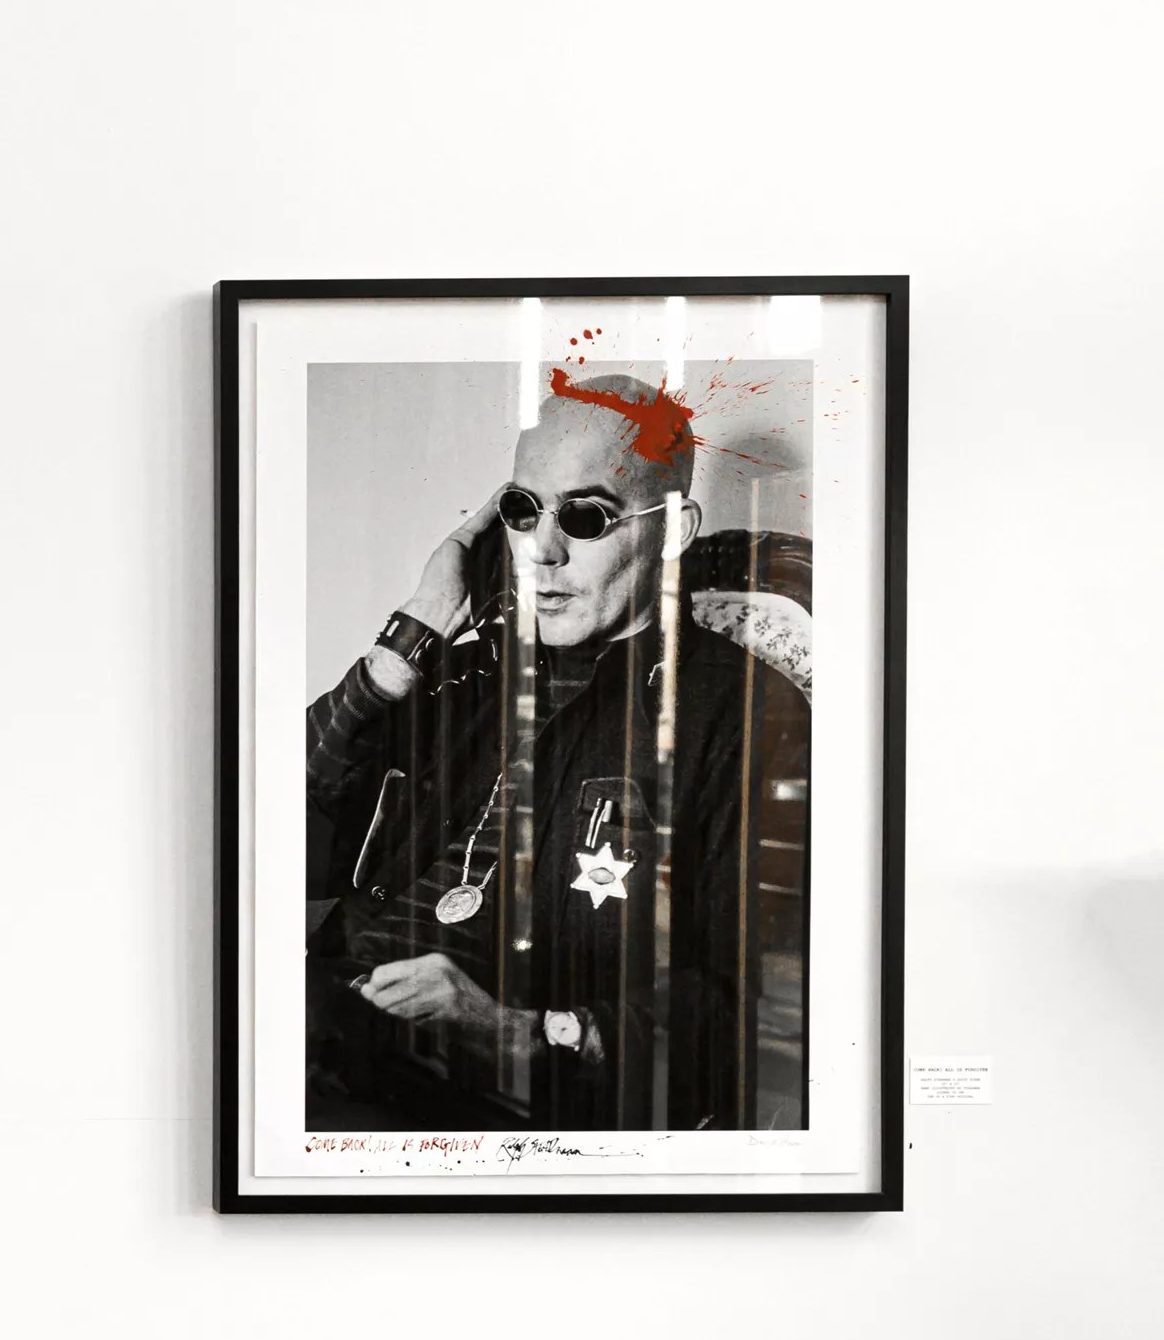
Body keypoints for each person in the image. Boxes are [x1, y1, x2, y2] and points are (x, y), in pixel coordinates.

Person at [304, 374, 812, 1131]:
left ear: (673, 529)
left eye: (585, 517)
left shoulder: (740, 712)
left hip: (486, 1107)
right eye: (522, 510)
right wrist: (405, 642)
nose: (540, 552)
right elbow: (275, 833)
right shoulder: (465, 672)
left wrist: (520, 1029)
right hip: (323, 1026)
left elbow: (749, 1007)